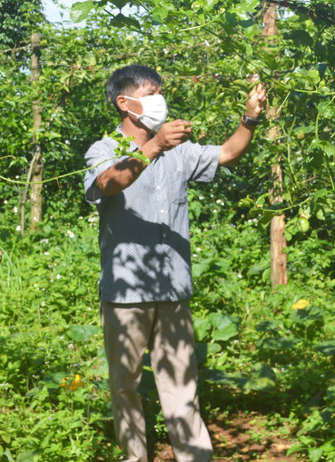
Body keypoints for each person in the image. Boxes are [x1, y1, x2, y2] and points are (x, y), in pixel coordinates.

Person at [83, 64, 267, 462]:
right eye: (151, 93)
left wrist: (250, 117)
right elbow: (107, 183)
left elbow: (229, 153)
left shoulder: (180, 153)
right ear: (124, 103)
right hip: (126, 294)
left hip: (173, 292)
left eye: (160, 92)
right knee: (124, 386)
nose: (159, 101)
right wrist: (153, 148)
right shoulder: (103, 150)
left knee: (182, 384)